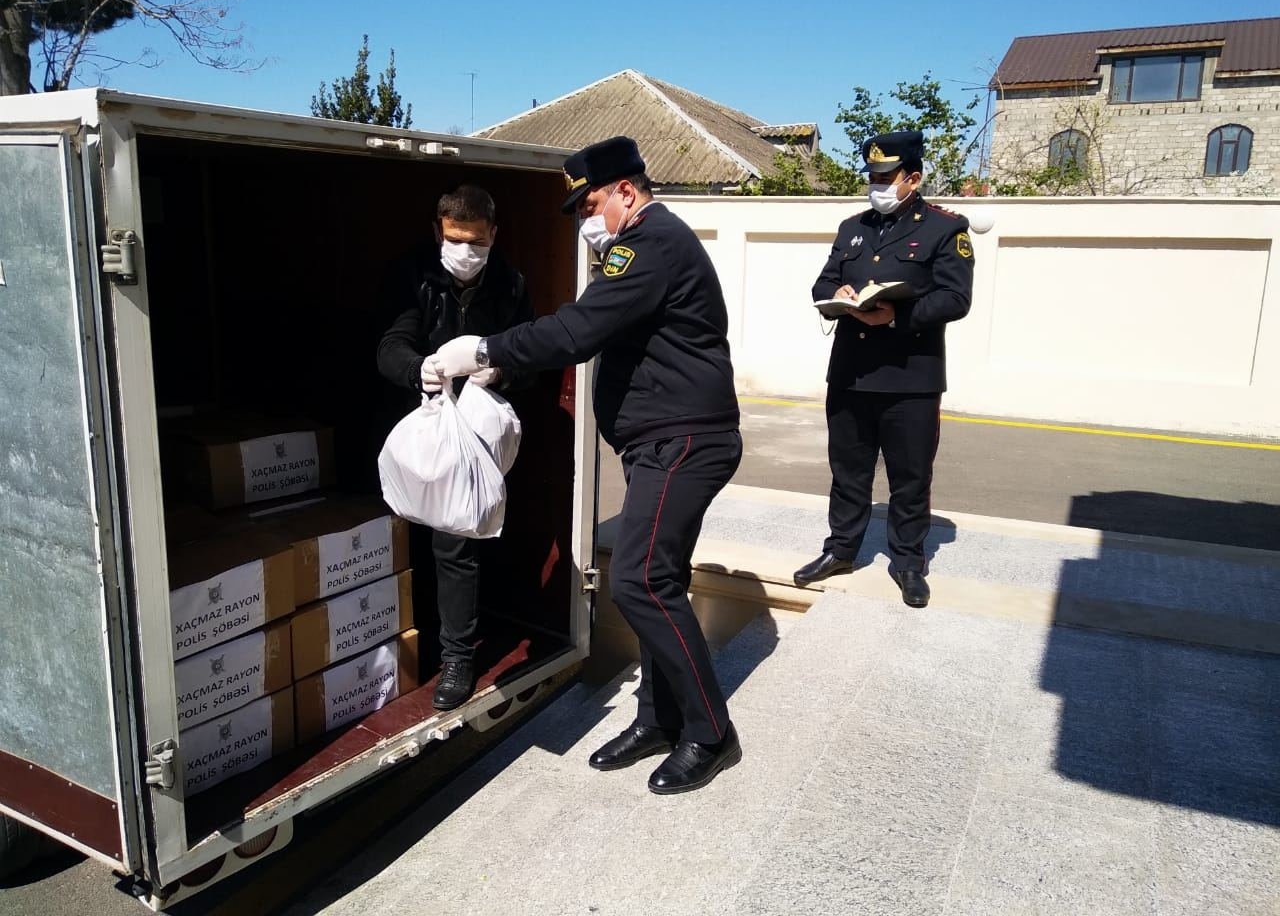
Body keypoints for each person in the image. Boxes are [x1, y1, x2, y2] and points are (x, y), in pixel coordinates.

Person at [426, 137, 744, 795]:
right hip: (661, 440)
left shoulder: (647, 244)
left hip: (683, 439)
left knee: (639, 581)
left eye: (590, 203)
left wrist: (484, 345)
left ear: (627, 191)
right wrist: (503, 360)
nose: (583, 220)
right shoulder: (645, 245)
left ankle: (711, 733)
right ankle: (657, 718)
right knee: (661, 578)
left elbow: (577, 331)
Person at [793, 130, 974, 608]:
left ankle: (909, 561)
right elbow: (824, 281)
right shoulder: (852, 226)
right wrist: (841, 297)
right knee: (847, 471)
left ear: (912, 178)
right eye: (871, 176)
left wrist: (897, 316)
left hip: (911, 377)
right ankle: (841, 550)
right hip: (851, 373)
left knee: (909, 476)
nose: (876, 184)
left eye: (885, 176)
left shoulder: (945, 228)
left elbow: (956, 298)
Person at [376, 184, 534, 709]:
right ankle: (415, 637)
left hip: (481, 434)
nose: (465, 252)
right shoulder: (415, 275)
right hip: (427, 426)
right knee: (419, 535)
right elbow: (391, 342)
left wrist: (501, 370)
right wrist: (413, 368)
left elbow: (532, 354)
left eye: (476, 242)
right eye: (454, 239)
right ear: (438, 230)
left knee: (456, 539)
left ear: (494, 234)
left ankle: (458, 659)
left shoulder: (510, 284)